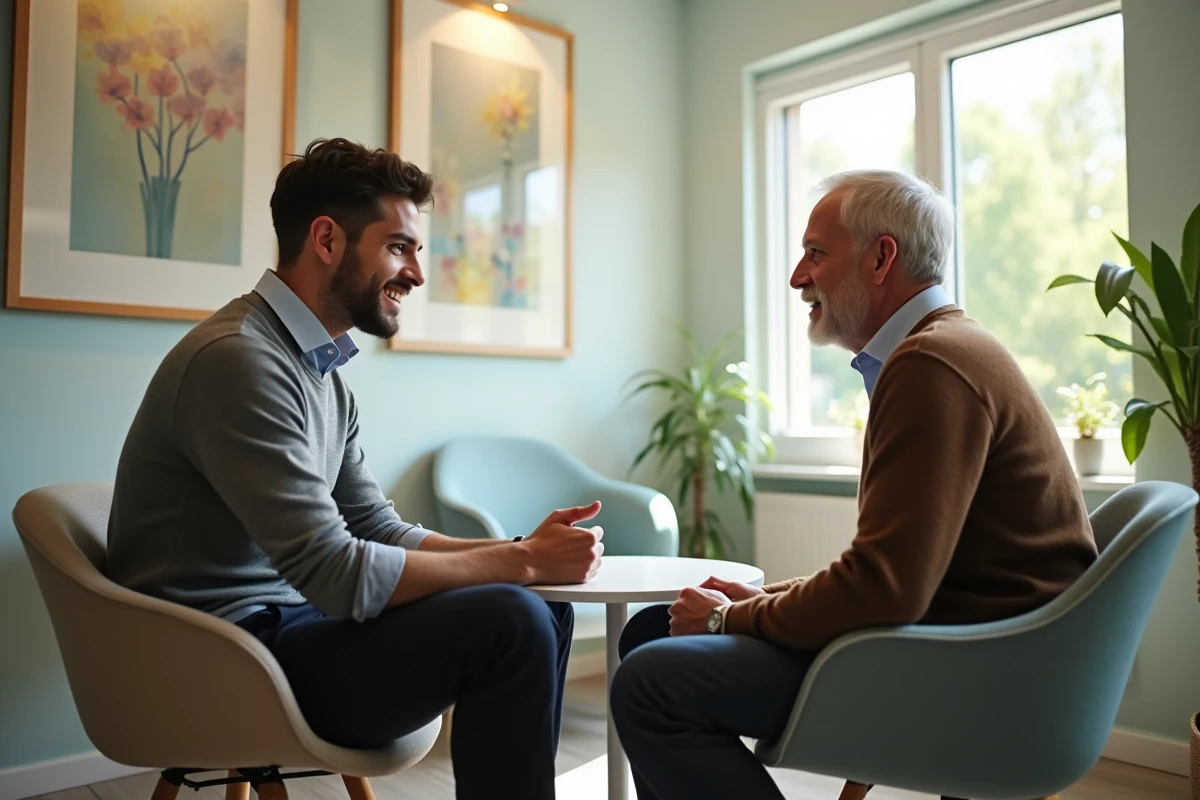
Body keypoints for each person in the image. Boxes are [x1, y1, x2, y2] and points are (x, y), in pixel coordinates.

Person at [106, 138, 604, 800]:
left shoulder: (321, 374)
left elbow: (375, 526)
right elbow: (336, 572)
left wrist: (521, 552)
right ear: (327, 240)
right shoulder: (238, 361)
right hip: (222, 660)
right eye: (400, 246)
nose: (418, 274)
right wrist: (521, 564)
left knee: (542, 609)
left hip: (284, 631)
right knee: (510, 618)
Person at [609, 169, 1098, 800]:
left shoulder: (929, 364)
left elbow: (885, 590)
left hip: (968, 673)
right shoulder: (945, 348)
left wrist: (733, 617)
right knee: (653, 630)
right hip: (973, 647)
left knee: (648, 679)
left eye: (815, 253)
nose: (796, 276)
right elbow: (892, 571)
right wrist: (754, 607)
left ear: (881, 257)